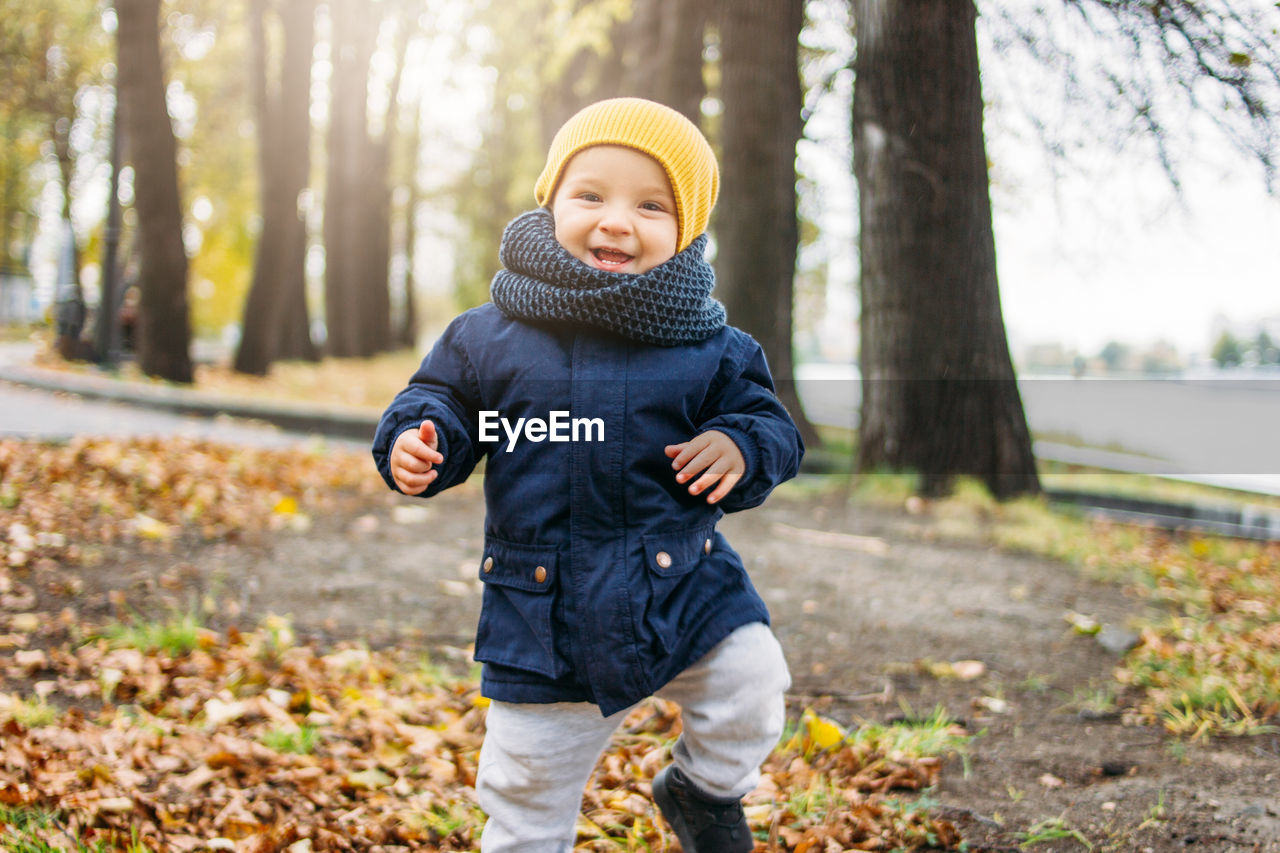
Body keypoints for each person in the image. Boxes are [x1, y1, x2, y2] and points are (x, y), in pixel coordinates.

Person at [372, 97, 804, 853]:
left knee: (753, 683)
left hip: (686, 589)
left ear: (688, 230)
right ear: (551, 202)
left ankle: (703, 789)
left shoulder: (713, 346)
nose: (615, 221)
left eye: (650, 205)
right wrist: (419, 438)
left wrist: (741, 445)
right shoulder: (489, 334)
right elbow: (438, 397)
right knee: (527, 789)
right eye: (590, 195)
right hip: (547, 618)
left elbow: (770, 424)